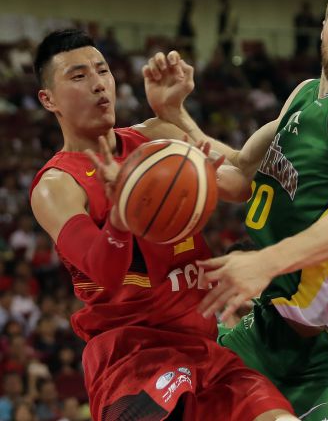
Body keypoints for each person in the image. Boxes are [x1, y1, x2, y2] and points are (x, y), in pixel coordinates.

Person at [145, 0, 328, 420]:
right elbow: (240, 174)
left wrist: (264, 262)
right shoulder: (303, 95)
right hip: (268, 330)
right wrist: (175, 115)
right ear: (323, 27)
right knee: (175, 401)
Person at [29, 29, 297, 421]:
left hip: (205, 349)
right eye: (79, 76)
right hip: (131, 359)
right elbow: (104, 269)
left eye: (102, 70)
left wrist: (176, 113)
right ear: (48, 99)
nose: (98, 84)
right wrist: (121, 216)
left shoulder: (157, 137)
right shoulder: (56, 186)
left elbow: (241, 181)